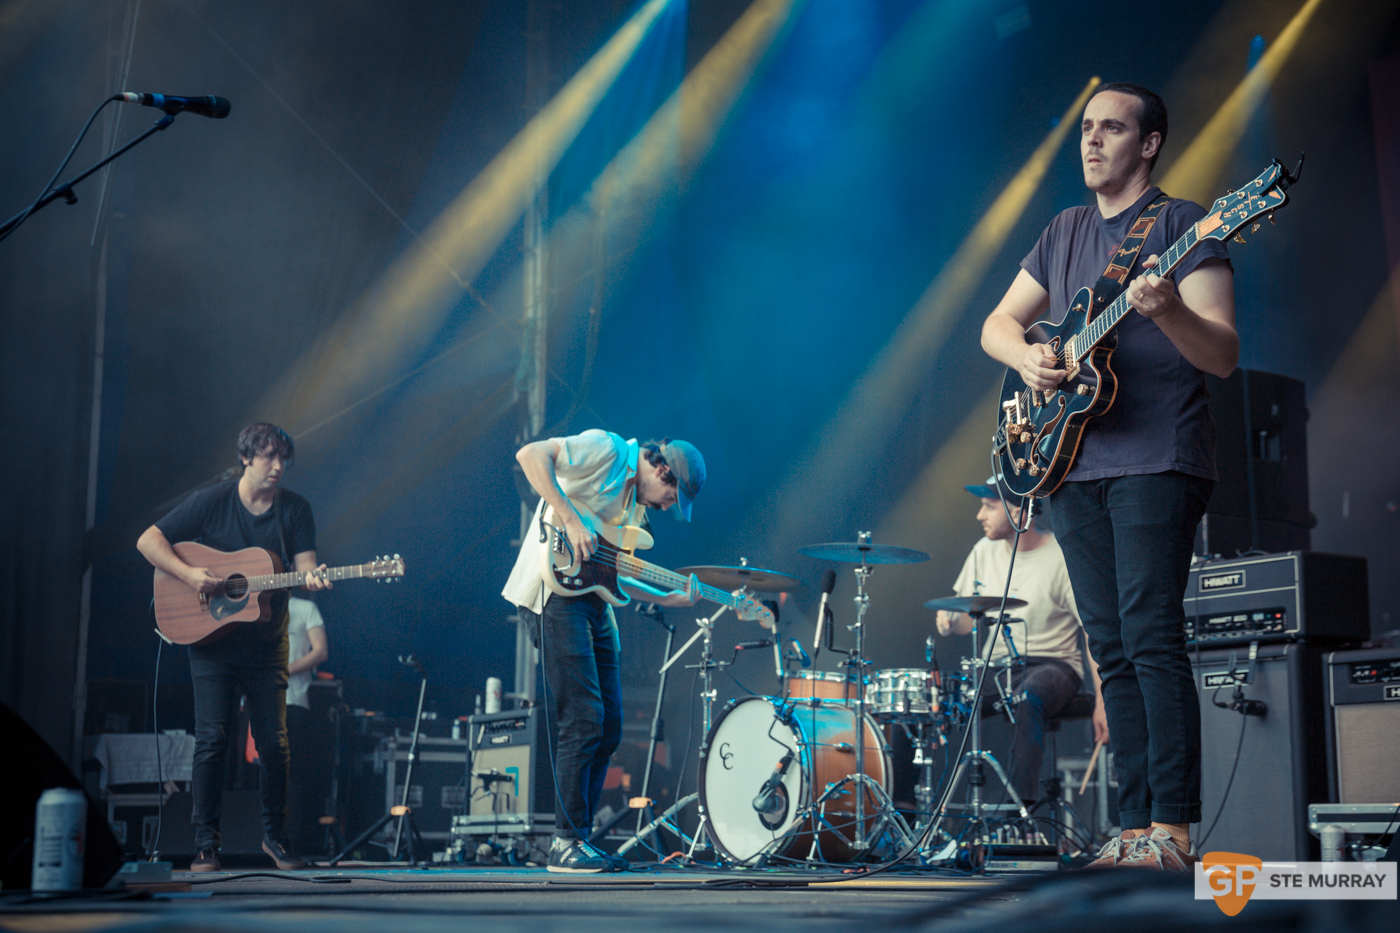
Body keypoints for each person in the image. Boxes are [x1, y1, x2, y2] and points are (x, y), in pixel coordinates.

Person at [981, 82, 1236, 871]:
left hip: (1158, 456)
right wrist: (1030, 357)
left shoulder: (1186, 224)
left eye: (1112, 128)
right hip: (1071, 463)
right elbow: (997, 324)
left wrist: (1167, 312)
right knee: (1112, 648)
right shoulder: (1063, 230)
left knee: (1152, 636)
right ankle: (1131, 830)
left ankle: (1173, 830)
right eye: (1086, 127)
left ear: (1149, 143)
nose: (1091, 141)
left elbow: (1223, 353)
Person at [501, 429, 705, 873]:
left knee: (609, 726)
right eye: (672, 497)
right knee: (583, 716)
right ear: (663, 471)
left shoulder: (634, 507)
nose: (667, 508)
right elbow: (530, 454)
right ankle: (564, 843)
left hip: (593, 601)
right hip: (553, 595)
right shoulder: (608, 450)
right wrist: (571, 519)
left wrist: (669, 598)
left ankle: (578, 841)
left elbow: (609, 572)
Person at [137, 423, 331, 872]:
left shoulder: (295, 510)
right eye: (268, 457)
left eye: (283, 458)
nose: (278, 466)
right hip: (212, 643)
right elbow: (148, 540)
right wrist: (190, 575)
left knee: (275, 744)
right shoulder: (212, 501)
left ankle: (276, 839)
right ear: (245, 457)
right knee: (212, 741)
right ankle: (206, 845)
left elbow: (306, 568)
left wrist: (315, 578)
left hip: (267, 644)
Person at [934, 474, 1108, 806]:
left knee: (1028, 698)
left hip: (1054, 665)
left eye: (989, 506)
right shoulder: (983, 550)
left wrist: (1103, 702)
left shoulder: (1061, 556)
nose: (979, 515)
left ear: (1018, 512)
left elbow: (1093, 633)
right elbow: (967, 623)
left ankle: (1019, 816)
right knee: (936, 701)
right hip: (998, 666)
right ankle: (921, 812)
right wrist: (949, 620)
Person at [284, 596, 329, 854]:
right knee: (254, 774)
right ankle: (254, 843)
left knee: (291, 774)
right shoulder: (251, 604)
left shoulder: (304, 608)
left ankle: (291, 843)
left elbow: (320, 651)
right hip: (256, 701)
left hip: (293, 701)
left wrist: (282, 671)